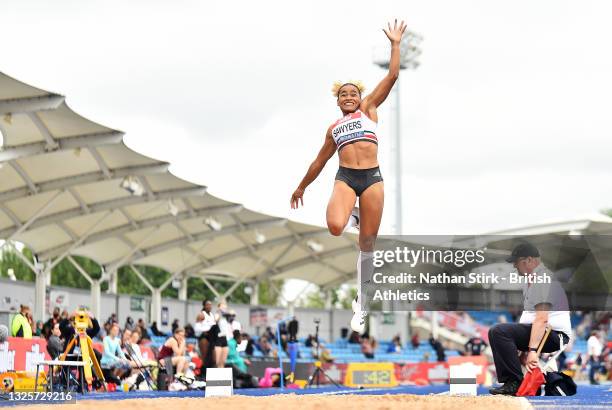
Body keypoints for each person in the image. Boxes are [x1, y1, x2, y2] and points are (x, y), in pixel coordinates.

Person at [290, 19, 408, 334]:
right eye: (343, 94)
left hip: (372, 178)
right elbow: (319, 161)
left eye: (353, 92)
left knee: (367, 243)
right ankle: (354, 214)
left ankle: (362, 303)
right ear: (337, 100)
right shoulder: (333, 129)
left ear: (359, 97)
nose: (349, 96)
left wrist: (395, 44)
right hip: (345, 178)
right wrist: (301, 187)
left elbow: (393, 75)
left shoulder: (369, 109)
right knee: (333, 226)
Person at [488, 243, 571, 396]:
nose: (514, 265)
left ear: (529, 260)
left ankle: (514, 382)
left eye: (516, 261)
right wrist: (519, 348)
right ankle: (516, 381)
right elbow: (529, 317)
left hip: (554, 335)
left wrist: (532, 350)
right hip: (544, 332)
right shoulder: (532, 281)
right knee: (498, 332)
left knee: (498, 331)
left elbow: (541, 319)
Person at [194, 299, 217, 369]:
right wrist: (207, 330)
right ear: (204, 306)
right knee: (205, 357)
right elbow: (196, 328)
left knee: (213, 359)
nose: (209, 306)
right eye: (207, 305)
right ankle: (204, 373)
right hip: (204, 338)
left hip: (212, 338)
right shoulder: (201, 315)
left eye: (210, 305)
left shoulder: (212, 315)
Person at [214, 303, 231, 368]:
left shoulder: (226, 318)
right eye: (222, 307)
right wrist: (219, 312)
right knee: (217, 361)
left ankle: (222, 376)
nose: (224, 309)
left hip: (225, 339)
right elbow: (215, 321)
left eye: (225, 308)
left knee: (223, 361)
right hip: (218, 338)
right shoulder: (217, 315)